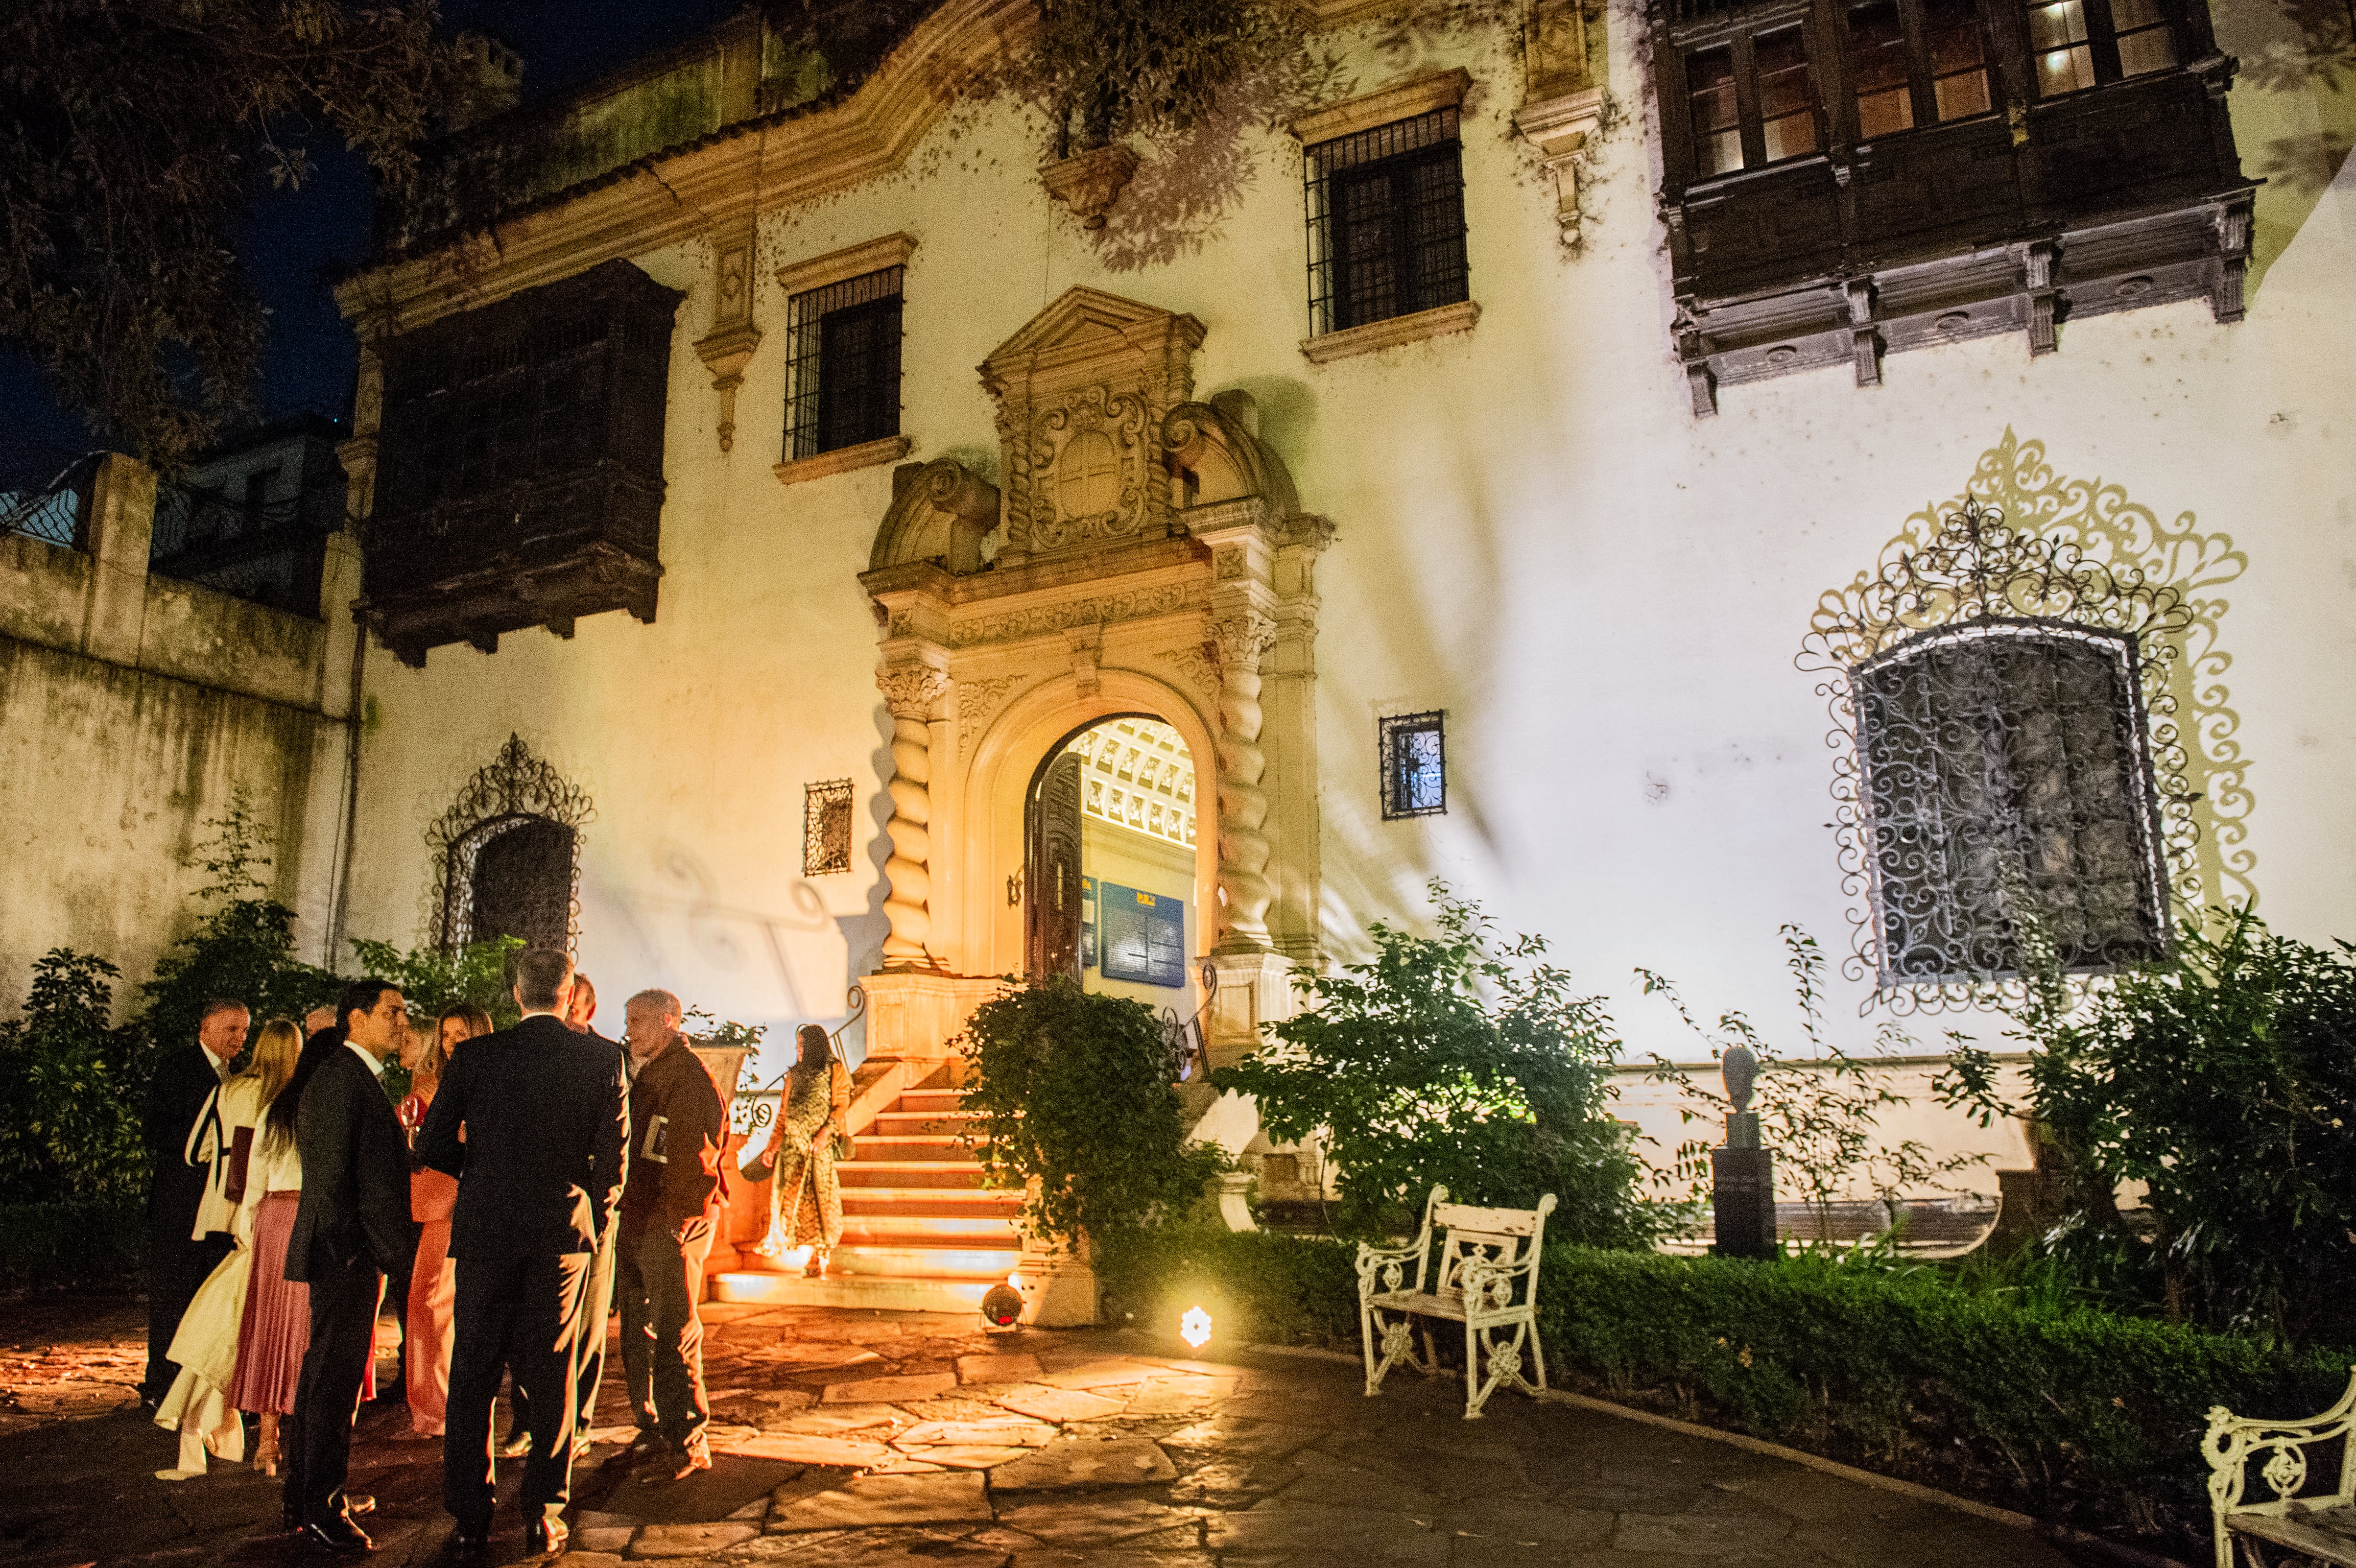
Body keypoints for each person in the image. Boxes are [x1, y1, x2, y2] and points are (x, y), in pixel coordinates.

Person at [419, 948, 626, 1561]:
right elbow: (612, 1162)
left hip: (486, 1231)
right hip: (560, 1232)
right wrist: (592, 1212)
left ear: (516, 992)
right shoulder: (599, 1058)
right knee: (553, 1371)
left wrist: (480, 1175)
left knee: (473, 1372)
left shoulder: (476, 1056)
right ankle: (543, 1510)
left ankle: (469, 1514)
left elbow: (431, 1144)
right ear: (568, 995)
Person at [281, 979, 415, 1554]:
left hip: (351, 1252)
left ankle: (304, 1495)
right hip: (345, 1254)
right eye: (392, 1012)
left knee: (326, 1377)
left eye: (404, 1013)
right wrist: (355, 1251)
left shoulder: (357, 1078)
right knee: (333, 1381)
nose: (402, 1023)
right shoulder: (342, 1079)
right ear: (355, 1018)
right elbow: (333, 1181)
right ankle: (321, 1507)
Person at [152, 1016, 301, 1478]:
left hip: (226, 1209)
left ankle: (214, 1396)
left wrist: (224, 1170)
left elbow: (196, 1148)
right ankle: (264, 1409)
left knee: (228, 1305)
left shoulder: (233, 1089)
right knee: (270, 1315)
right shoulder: (293, 1097)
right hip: (276, 1212)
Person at [615, 989, 726, 1478]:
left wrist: (673, 1223)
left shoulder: (684, 1077)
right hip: (645, 1217)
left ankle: (685, 1438)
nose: (629, 1030)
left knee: (673, 1327)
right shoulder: (657, 1072)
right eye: (627, 1021)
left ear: (666, 1022)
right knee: (644, 1327)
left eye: (638, 1021)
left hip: (666, 1221)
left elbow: (690, 1157)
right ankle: (659, 1427)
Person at [228, 1020, 329, 1482]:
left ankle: (268, 1439)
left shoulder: (278, 1107)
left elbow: (252, 1177)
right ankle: (305, 1436)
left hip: (273, 1217)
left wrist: (248, 1227)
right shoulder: (327, 1105)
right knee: (310, 1327)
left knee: (270, 1324)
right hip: (309, 1216)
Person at [141, 998, 250, 1408]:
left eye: (244, 1030)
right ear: (205, 1027)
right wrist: (199, 1147)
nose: (240, 1038)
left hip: (218, 1207)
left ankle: (198, 1389)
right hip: (180, 1203)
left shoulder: (238, 1076)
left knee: (208, 1298)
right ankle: (160, 1385)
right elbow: (154, 1129)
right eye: (231, 1029)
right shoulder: (178, 1068)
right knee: (172, 1294)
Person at [404, 1003, 492, 1440]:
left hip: (471, 1202)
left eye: (461, 1034)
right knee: (430, 1303)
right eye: (446, 1035)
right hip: (437, 1200)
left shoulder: (490, 1083)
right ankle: (433, 1406)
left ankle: (445, 1407)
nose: (452, 1042)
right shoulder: (428, 1086)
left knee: (444, 1304)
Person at [741, 1024, 850, 1279]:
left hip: (817, 1148)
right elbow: (784, 1114)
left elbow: (842, 1103)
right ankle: (795, 1247)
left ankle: (816, 1256)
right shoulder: (793, 1075)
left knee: (818, 1201)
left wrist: (825, 1133)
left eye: (801, 1044)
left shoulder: (835, 1071)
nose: (797, 1049)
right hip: (792, 1148)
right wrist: (773, 1145)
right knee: (790, 1201)